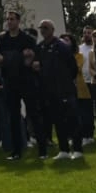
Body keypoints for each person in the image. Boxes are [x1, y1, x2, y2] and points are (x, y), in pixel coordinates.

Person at [35, 21, 82, 159]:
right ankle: (64, 150)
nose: (43, 31)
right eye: (41, 28)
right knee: (58, 120)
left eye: (46, 28)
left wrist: (65, 81)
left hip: (65, 89)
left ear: (52, 29)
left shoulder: (61, 46)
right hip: (49, 90)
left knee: (72, 120)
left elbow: (72, 67)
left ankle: (78, 149)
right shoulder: (41, 47)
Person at [0, 13, 35, 160]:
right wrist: (4, 59)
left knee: (33, 113)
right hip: (9, 81)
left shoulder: (26, 38)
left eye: (12, 19)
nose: (9, 22)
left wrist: (9, 57)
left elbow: (30, 57)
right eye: (7, 19)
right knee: (14, 117)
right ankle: (17, 151)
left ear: (18, 21)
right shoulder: (2, 39)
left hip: (26, 81)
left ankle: (42, 148)